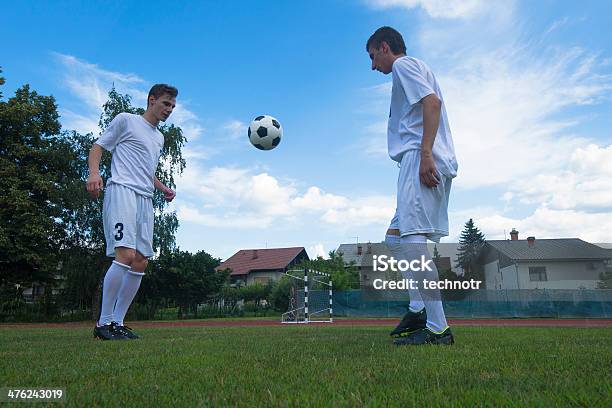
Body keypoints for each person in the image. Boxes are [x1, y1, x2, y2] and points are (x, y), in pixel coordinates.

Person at [366, 27, 458, 345]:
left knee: (413, 241)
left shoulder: (404, 65)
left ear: (384, 47)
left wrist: (425, 154)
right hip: (415, 159)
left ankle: (438, 328)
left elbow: (433, 104)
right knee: (394, 240)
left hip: (419, 158)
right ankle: (419, 308)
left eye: (372, 56)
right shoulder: (414, 69)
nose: (372, 65)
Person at [86, 84, 178, 340]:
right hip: (122, 191)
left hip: (145, 199)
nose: (169, 110)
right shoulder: (126, 120)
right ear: (151, 100)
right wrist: (94, 173)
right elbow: (98, 147)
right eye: (165, 104)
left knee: (140, 260)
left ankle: (118, 322)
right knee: (125, 254)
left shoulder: (159, 137)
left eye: (172, 106)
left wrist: (162, 188)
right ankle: (102, 324)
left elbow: (146, 170)